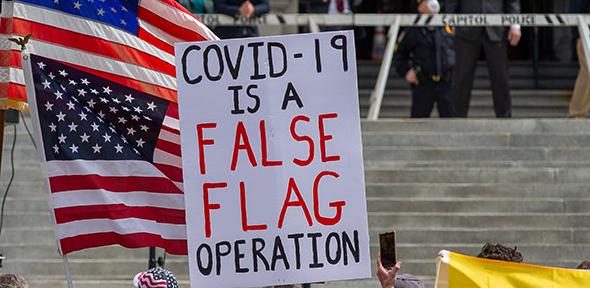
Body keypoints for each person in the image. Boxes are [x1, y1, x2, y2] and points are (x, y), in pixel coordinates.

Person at [445, 0, 522, 118]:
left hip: (496, 30)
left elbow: (512, 1)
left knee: (500, 77)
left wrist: (515, 24)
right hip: (466, 30)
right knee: (462, 77)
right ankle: (457, 119)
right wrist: (449, 24)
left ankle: (505, 118)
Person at [393, 0, 455, 118]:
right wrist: (406, 71)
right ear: (420, 6)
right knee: (418, 124)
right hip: (423, 84)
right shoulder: (414, 28)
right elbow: (399, 55)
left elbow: (462, 50)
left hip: (448, 84)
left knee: (452, 125)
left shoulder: (448, 25)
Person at [568, 0, 590, 118]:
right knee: (587, 73)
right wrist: (578, 34)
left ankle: (577, 113)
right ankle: (577, 113)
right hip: (587, 31)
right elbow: (575, 9)